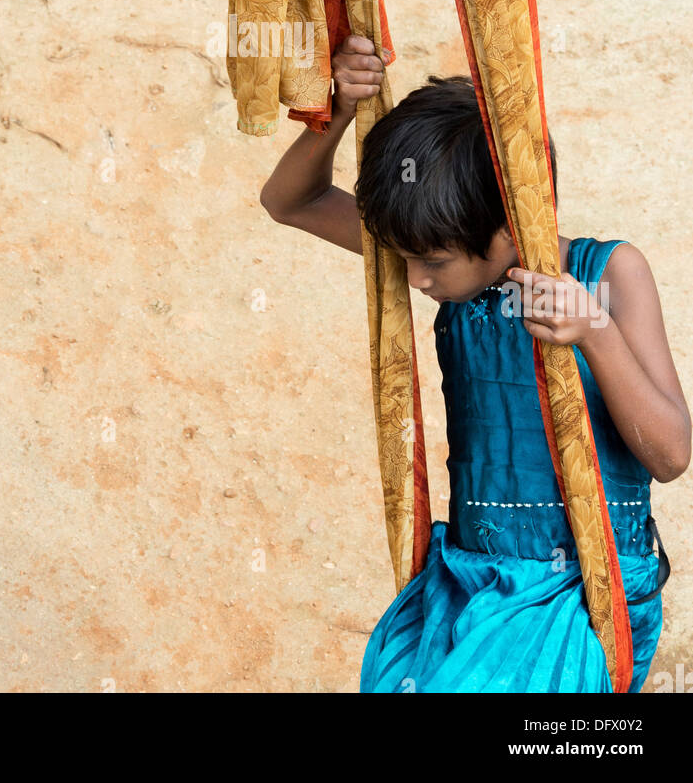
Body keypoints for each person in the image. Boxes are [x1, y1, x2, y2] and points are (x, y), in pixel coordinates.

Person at [259, 35, 691, 692]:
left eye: (429, 264)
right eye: (406, 259)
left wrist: (594, 334)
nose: (415, 278)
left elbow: (668, 456)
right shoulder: (447, 259)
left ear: (510, 226)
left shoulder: (606, 275)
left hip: (582, 590)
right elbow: (289, 201)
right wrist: (339, 111)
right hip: (469, 583)